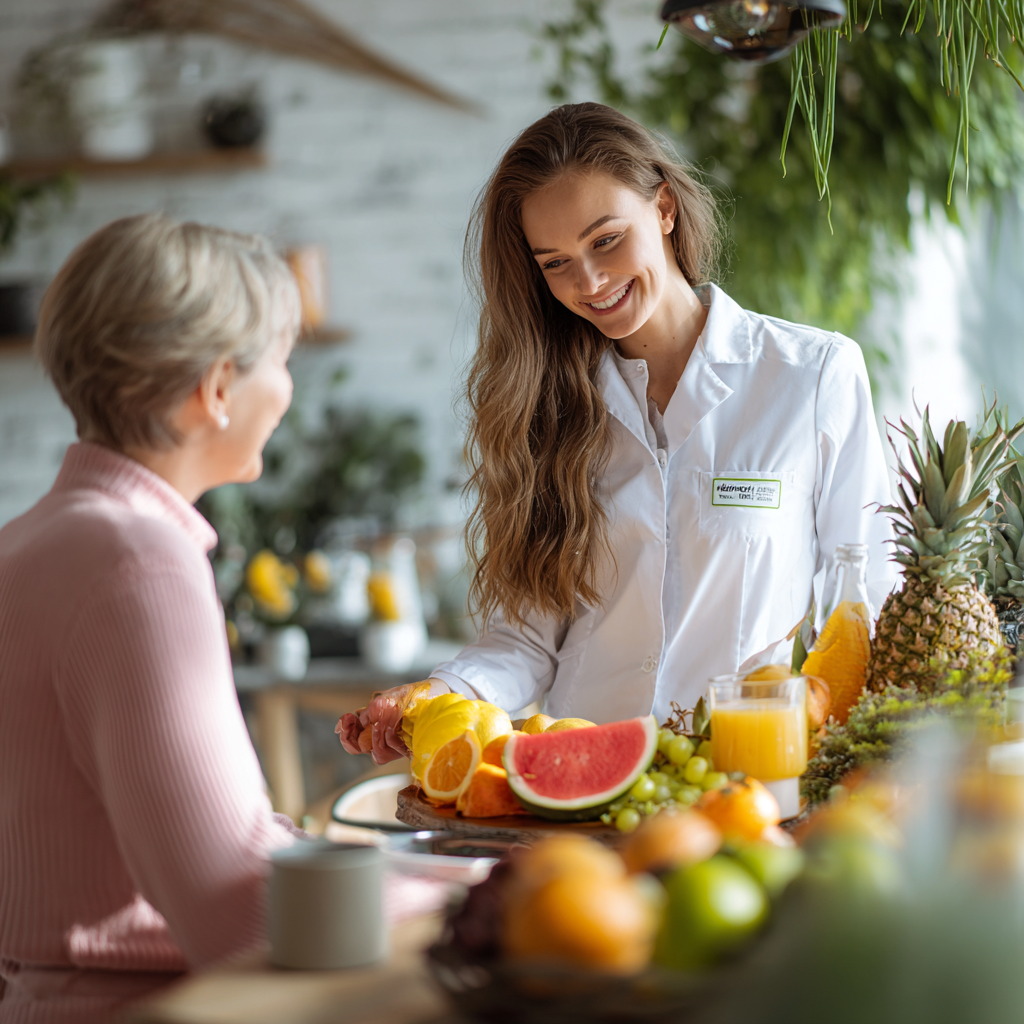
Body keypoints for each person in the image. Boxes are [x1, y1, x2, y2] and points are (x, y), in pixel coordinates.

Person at [338, 101, 897, 764]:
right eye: (555, 263)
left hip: (747, 777)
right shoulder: (545, 407)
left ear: (664, 208)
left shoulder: (811, 377)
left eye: (605, 240)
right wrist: (436, 693)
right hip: (581, 774)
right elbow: (528, 641)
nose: (590, 282)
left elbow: (865, 605)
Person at [0, 214, 303, 1023]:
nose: (287, 389)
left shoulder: (24, 541)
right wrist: (468, 895)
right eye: (280, 360)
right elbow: (234, 910)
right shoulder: (138, 563)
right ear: (217, 388)